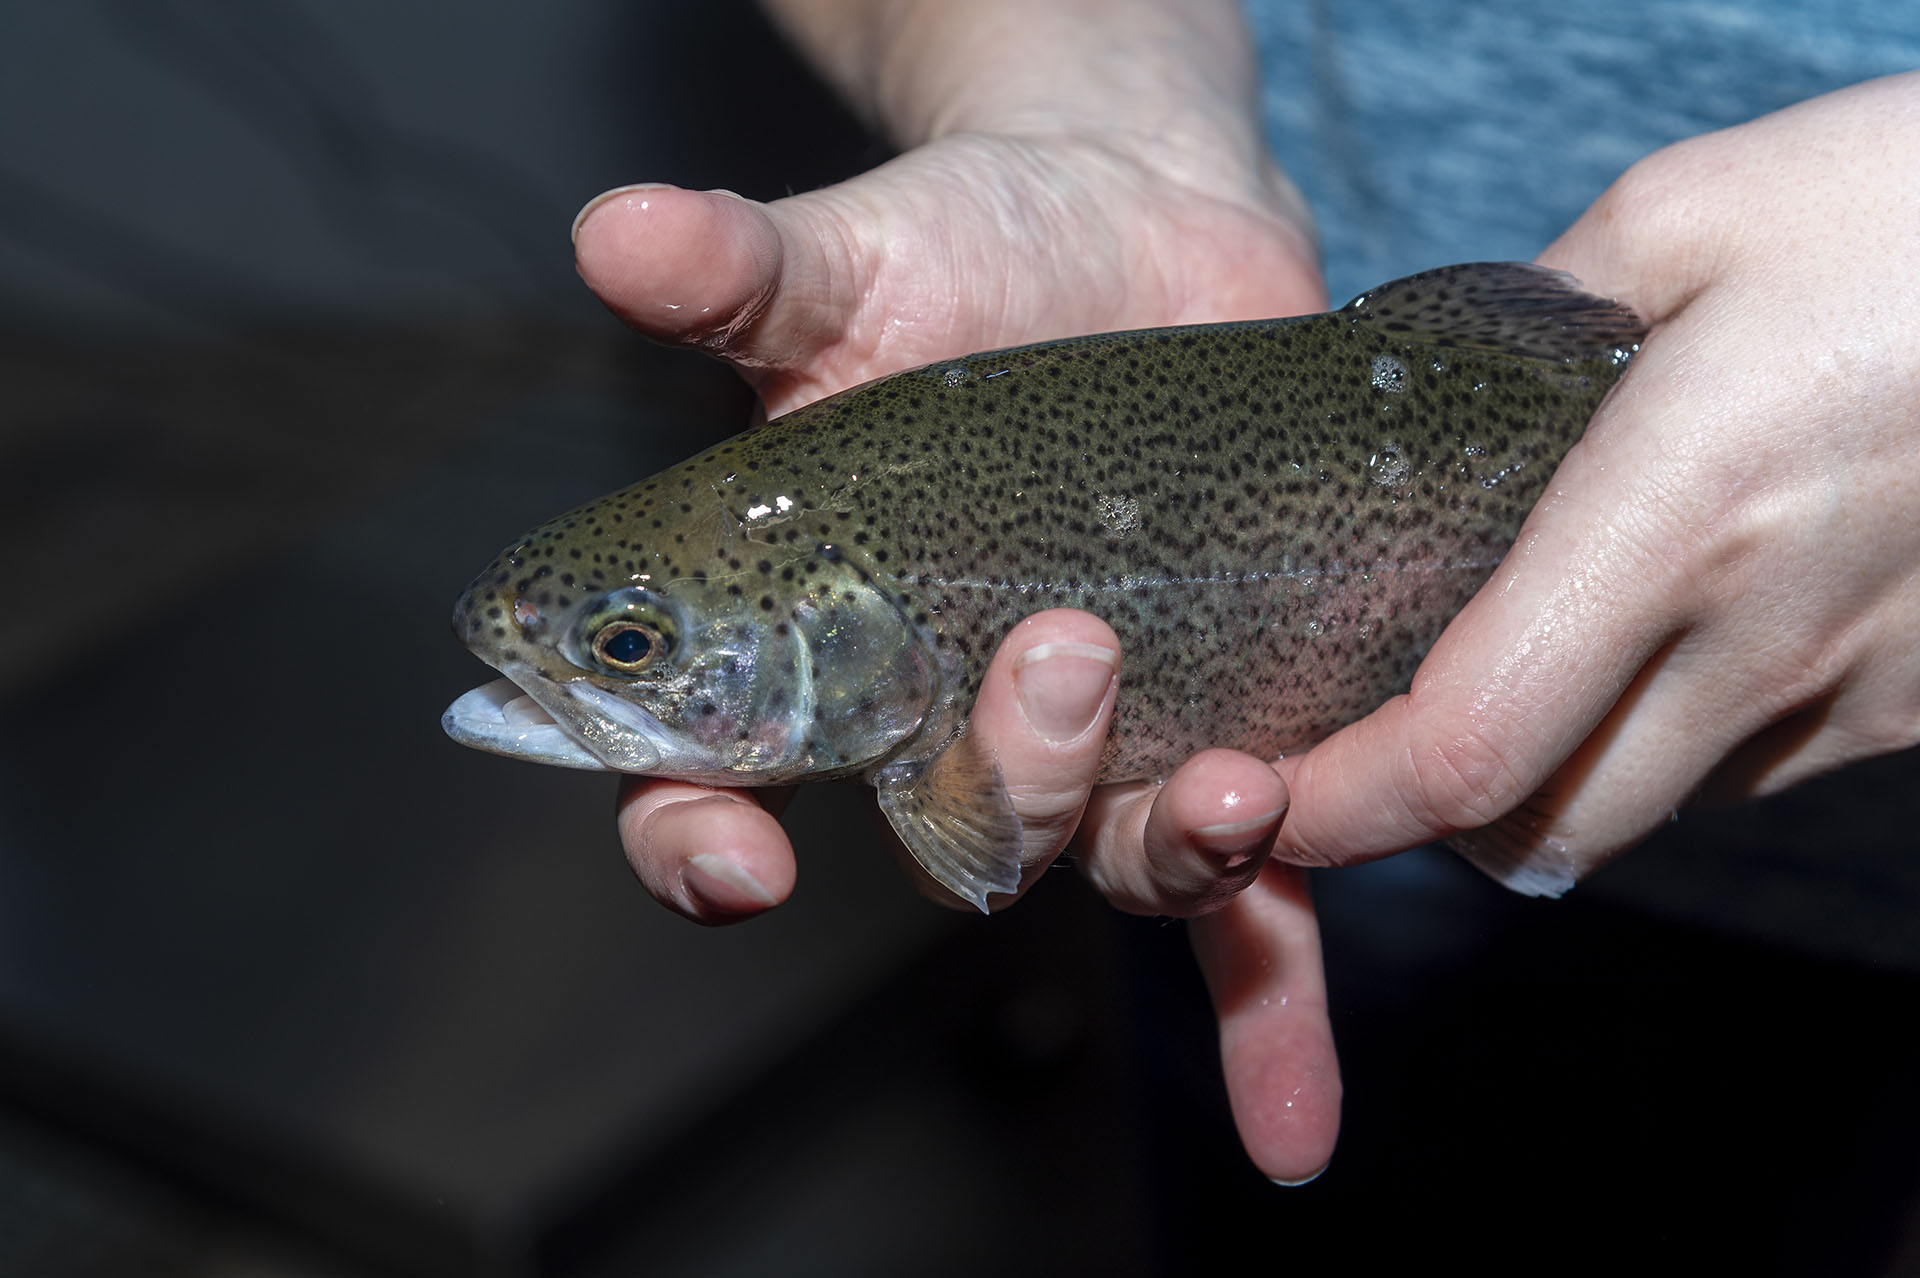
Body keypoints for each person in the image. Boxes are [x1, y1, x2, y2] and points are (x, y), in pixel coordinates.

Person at [571, 0, 1920, 1185]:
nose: (612, 670)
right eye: (630, 646)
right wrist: (1084, 90)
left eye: (629, 645)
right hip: (1329, 880)